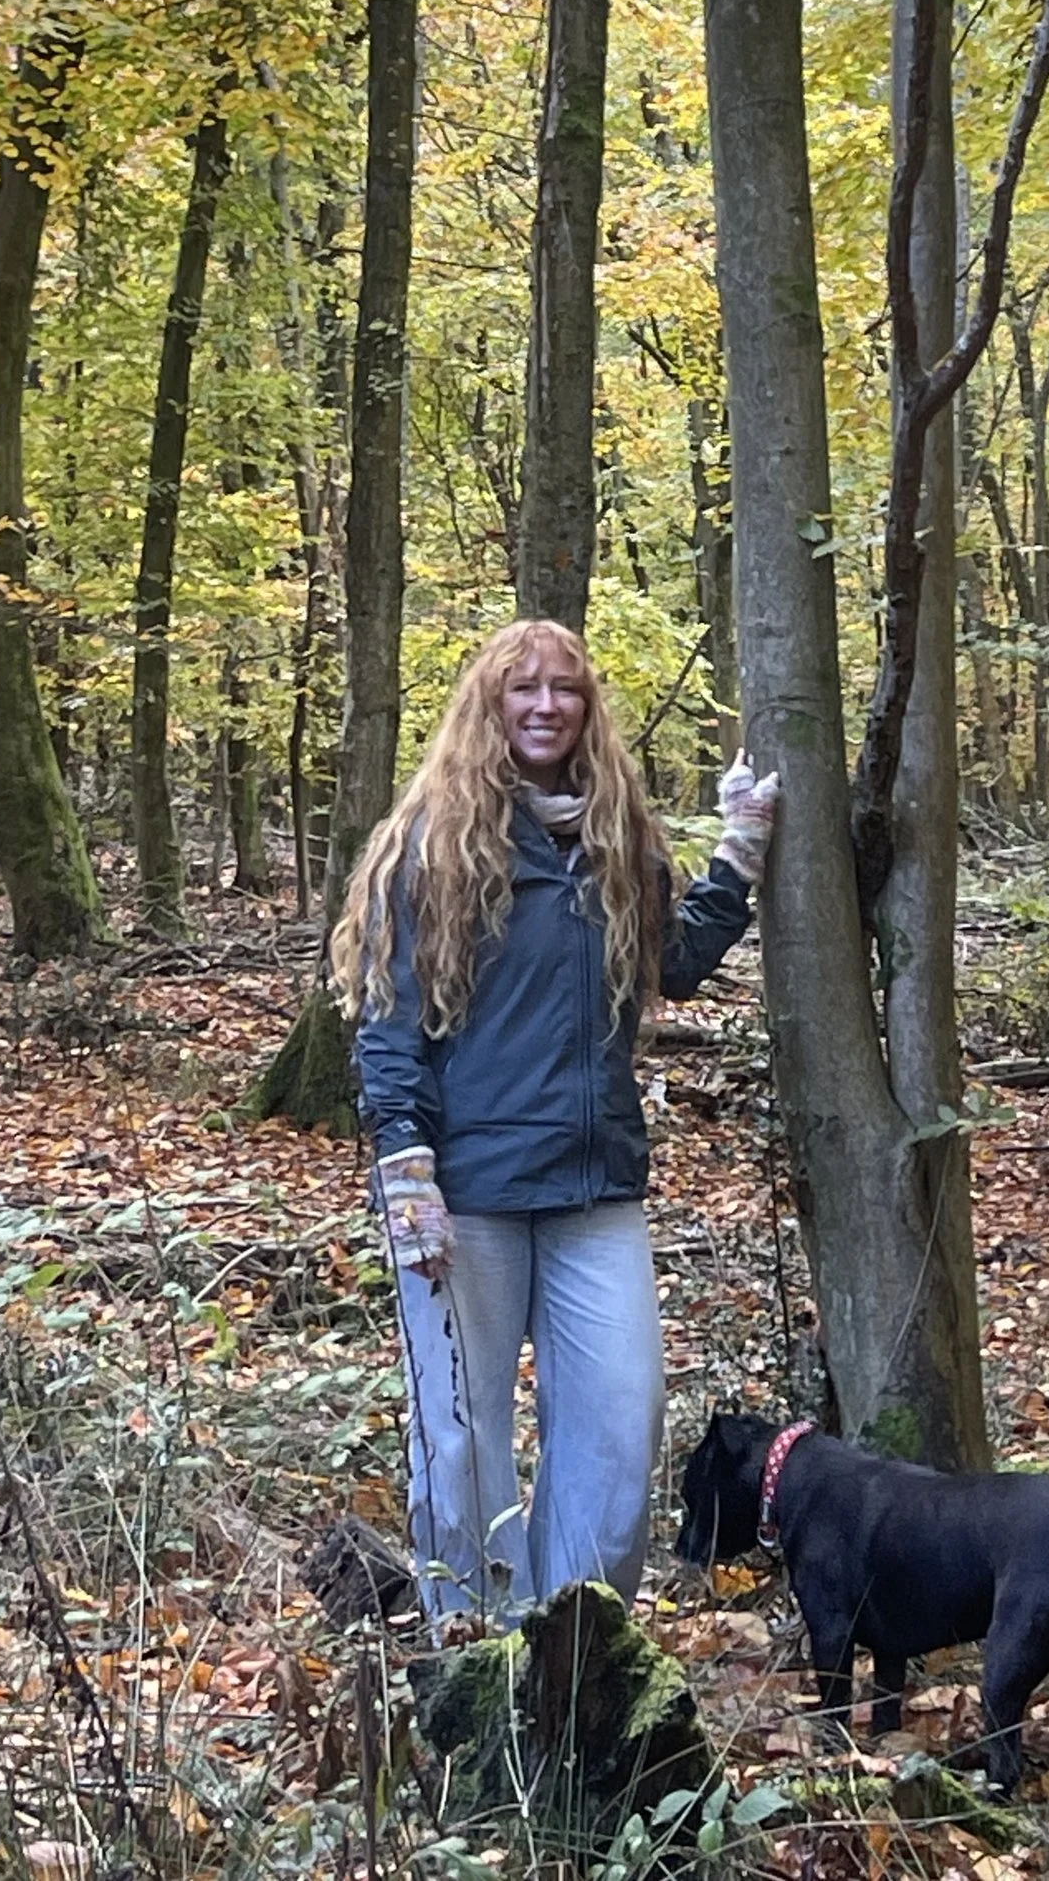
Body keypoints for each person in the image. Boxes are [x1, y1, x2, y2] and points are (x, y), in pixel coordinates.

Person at [334, 615, 778, 1630]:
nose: (545, 705)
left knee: (622, 1427)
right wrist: (403, 1161)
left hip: (593, 1189)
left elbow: (671, 962)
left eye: (565, 688)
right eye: (522, 688)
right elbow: (389, 1015)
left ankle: (572, 1647)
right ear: (488, 707)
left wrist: (740, 848)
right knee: (461, 1437)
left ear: (588, 708)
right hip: (465, 1192)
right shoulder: (431, 844)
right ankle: (478, 1651)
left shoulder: (616, 837)